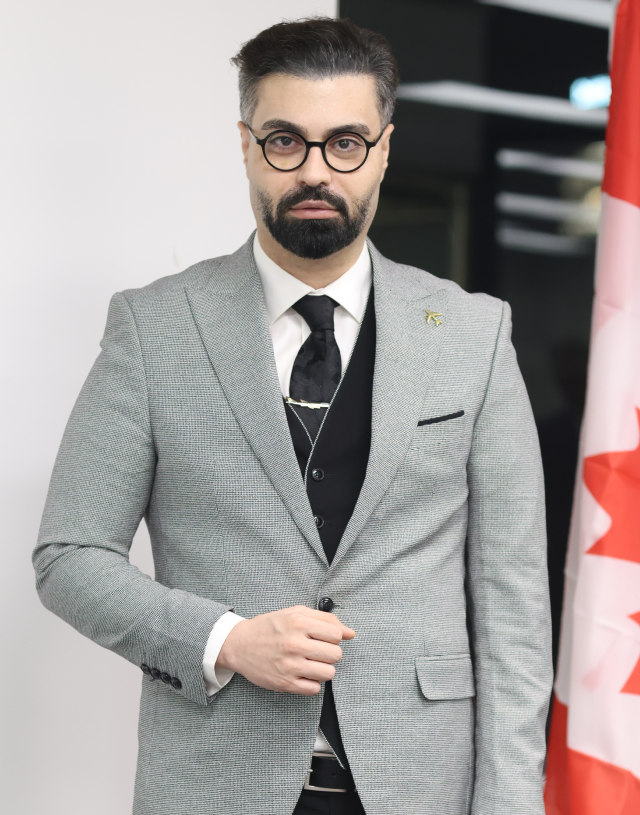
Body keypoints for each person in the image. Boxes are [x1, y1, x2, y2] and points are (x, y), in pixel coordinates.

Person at [33, 17, 552, 815]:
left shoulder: (474, 335)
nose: (315, 170)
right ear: (246, 145)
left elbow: (514, 608)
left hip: (422, 790)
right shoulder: (154, 328)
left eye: (345, 143)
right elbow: (70, 556)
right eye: (285, 141)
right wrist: (225, 639)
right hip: (213, 788)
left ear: (383, 149)